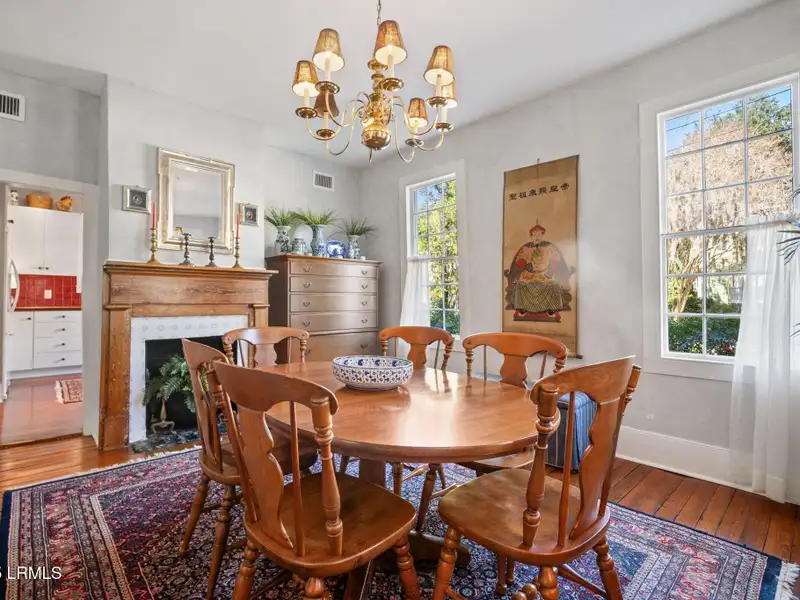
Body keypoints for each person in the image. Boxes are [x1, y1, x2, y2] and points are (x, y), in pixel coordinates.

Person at [504, 223, 573, 321]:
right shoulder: (526, 248)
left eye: (539, 234)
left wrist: (550, 271)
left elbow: (557, 259)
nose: (537, 237)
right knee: (521, 285)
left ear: (543, 235)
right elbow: (519, 261)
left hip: (545, 274)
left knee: (553, 285)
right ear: (531, 236)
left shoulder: (550, 247)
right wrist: (525, 265)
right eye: (534, 235)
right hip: (529, 274)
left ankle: (551, 308)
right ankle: (522, 308)